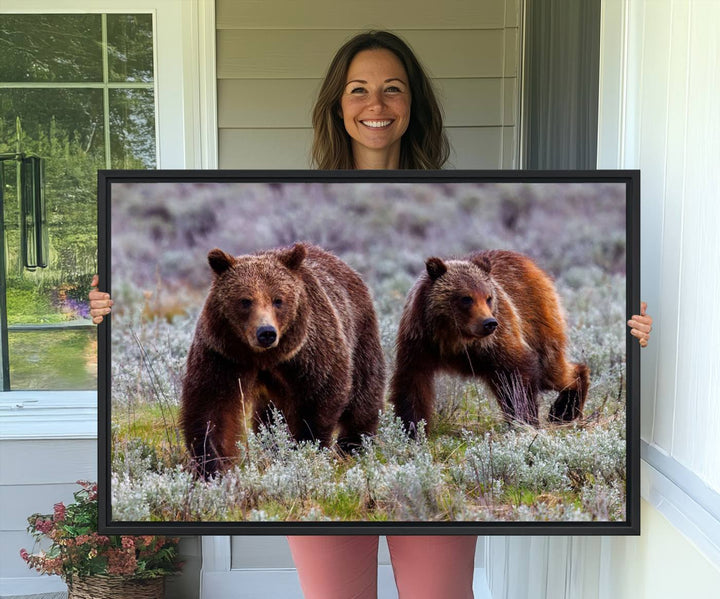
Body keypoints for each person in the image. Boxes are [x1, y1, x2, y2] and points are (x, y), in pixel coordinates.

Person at [89, 30, 652, 599]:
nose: (376, 105)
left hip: (351, 376)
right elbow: (209, 406)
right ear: (337, 104)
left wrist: (634, 333)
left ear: (414, 104)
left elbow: (343, 386)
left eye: (393, 89)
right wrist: (103, 312)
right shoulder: (239, 288)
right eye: (358, 89)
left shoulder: (435, 217)